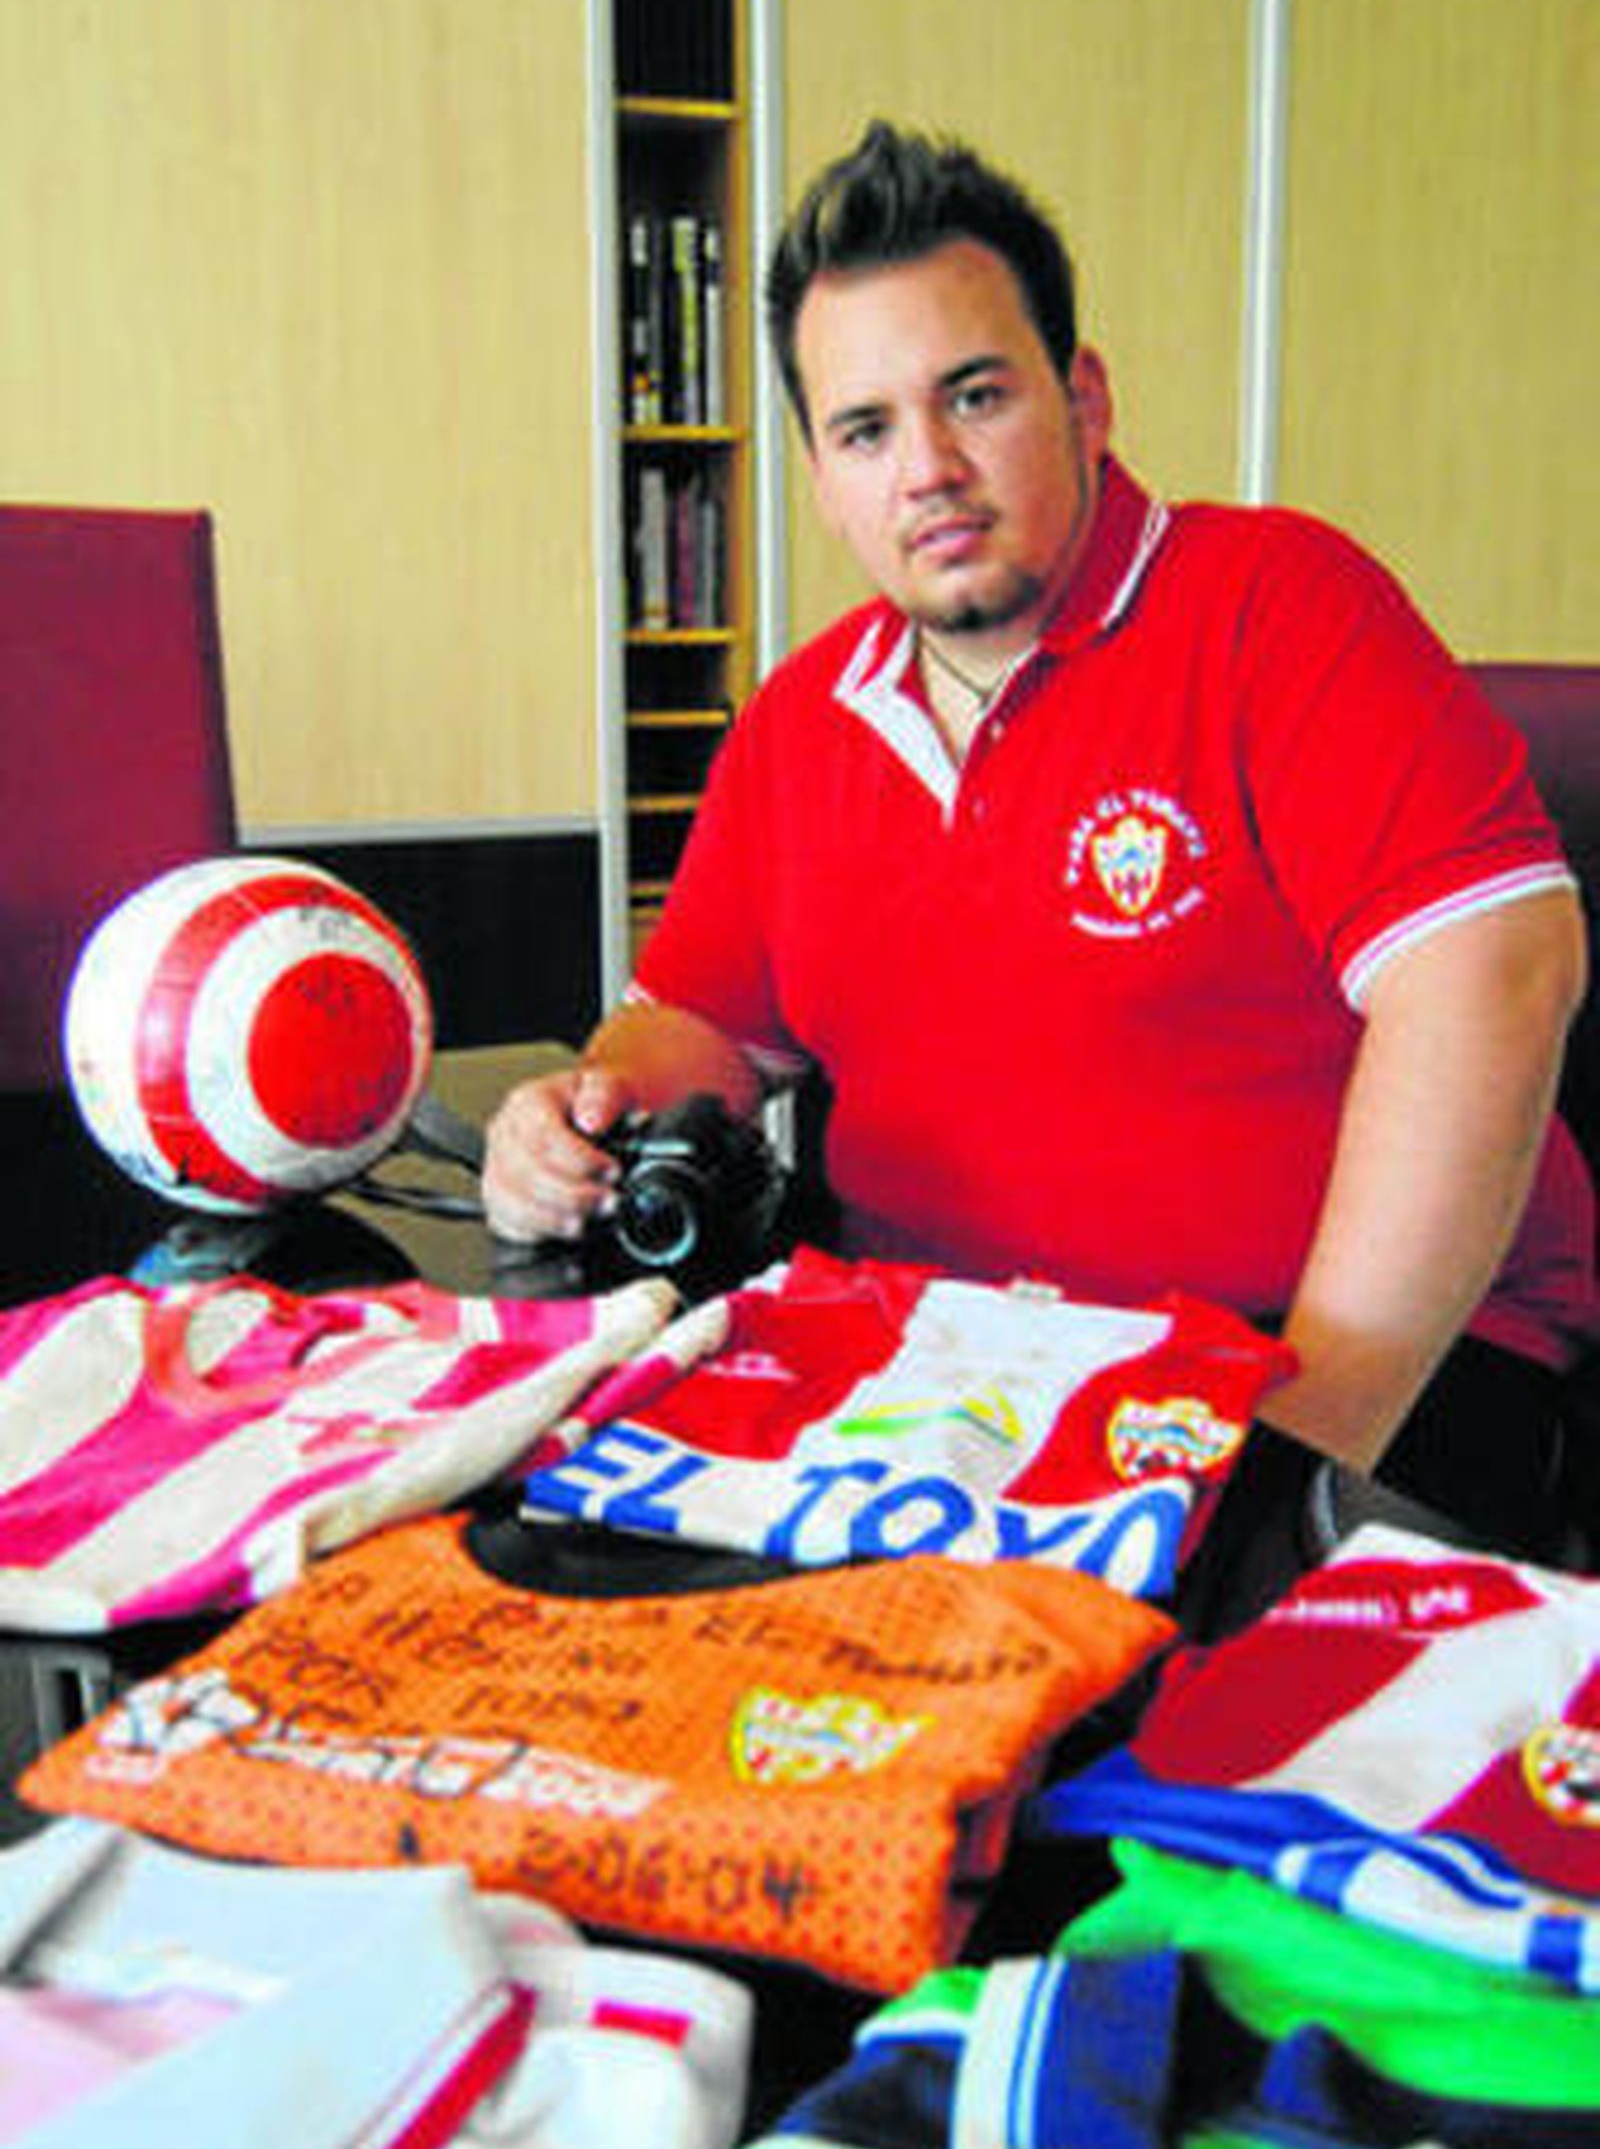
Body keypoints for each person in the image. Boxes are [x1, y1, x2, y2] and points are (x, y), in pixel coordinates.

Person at [484, 120, 1594, 1533]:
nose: (928, 467)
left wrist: (1293, 1455)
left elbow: (1496, 977)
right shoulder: (798, 724)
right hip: (954, 1380)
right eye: (867, 430)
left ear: (1085, 400)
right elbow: (696, 1024)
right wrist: (581, 1121)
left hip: (1362, 1372)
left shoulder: (1281, 609)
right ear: (824, 481)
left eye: (975, 396)